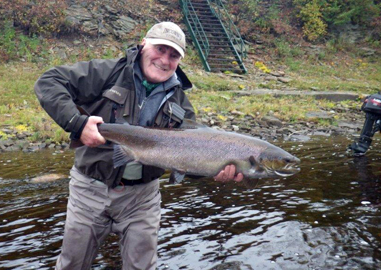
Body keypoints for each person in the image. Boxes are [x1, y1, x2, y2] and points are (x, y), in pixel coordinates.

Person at [34, 21, 243, 270]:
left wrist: (214, 169)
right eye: (160, 49)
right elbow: (49, 82)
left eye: (173, 55)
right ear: (143, 44)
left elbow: (188, 162)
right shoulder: (107, 72)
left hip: (142, 199)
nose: (165, 60)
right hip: (89, 189)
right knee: (72, 265)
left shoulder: (182, 105)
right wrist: (77, 124)